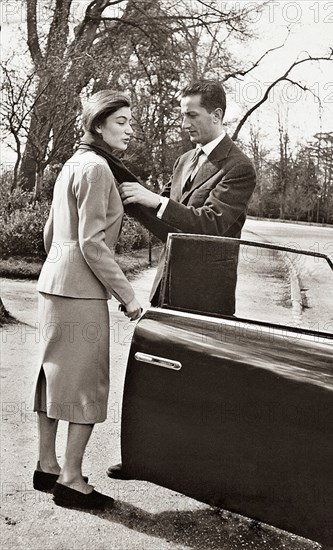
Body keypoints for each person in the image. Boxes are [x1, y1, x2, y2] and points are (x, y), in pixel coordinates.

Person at [107, 79, 257, 480]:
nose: (184, 122)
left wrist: (153, 200)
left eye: (191, 114)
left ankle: (201, 471)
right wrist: (129, 198)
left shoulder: (239, 167)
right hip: (169, 286)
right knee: (154, 372)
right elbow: (169, 229)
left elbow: (212, 226)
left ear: (217, 115)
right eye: (182, 114)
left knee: (201, 383)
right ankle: (143, 458)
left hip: (207, 296)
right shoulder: (183, 161)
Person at [32, 90, 142, 509]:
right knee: (86, 385)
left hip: (53, 283)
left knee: (53, 375)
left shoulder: (72, 164)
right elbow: (93, 244)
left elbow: (49, 234)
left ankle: (46, 464)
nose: (130, 130)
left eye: (130, 122)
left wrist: (60, 264)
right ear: (98, 125)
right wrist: (128, 296)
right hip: (80, 290)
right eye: (122, 122)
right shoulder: (97, 169)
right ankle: (72, 479)